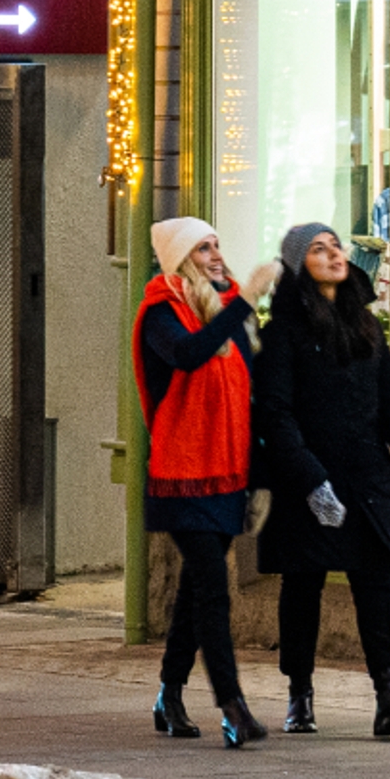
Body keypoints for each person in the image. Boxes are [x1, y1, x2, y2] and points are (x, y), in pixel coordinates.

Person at [254, 221, 390, 738]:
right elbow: (276, 415)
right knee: (304, 586)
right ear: (297, 266)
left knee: (376, 583)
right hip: (308, 479)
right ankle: (299, 695)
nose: (334, 254)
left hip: (365, 476)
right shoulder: (283, 334)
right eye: (318, 249)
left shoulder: (364, 327)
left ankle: (389, 695)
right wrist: (311, 481)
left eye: (335, 245)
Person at [135, 215, 279, 748]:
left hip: (227, 473)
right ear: (179, 260)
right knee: (213, 590)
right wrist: (245, 302)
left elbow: (250, 399)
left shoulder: (228, 311)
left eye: (218, 245)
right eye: (202, 249)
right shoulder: (161, 312)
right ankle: (233, 707)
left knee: (197, 589)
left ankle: (169, 694)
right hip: (182, 474)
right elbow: (190, 356)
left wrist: (260, 478)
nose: (216, 256)